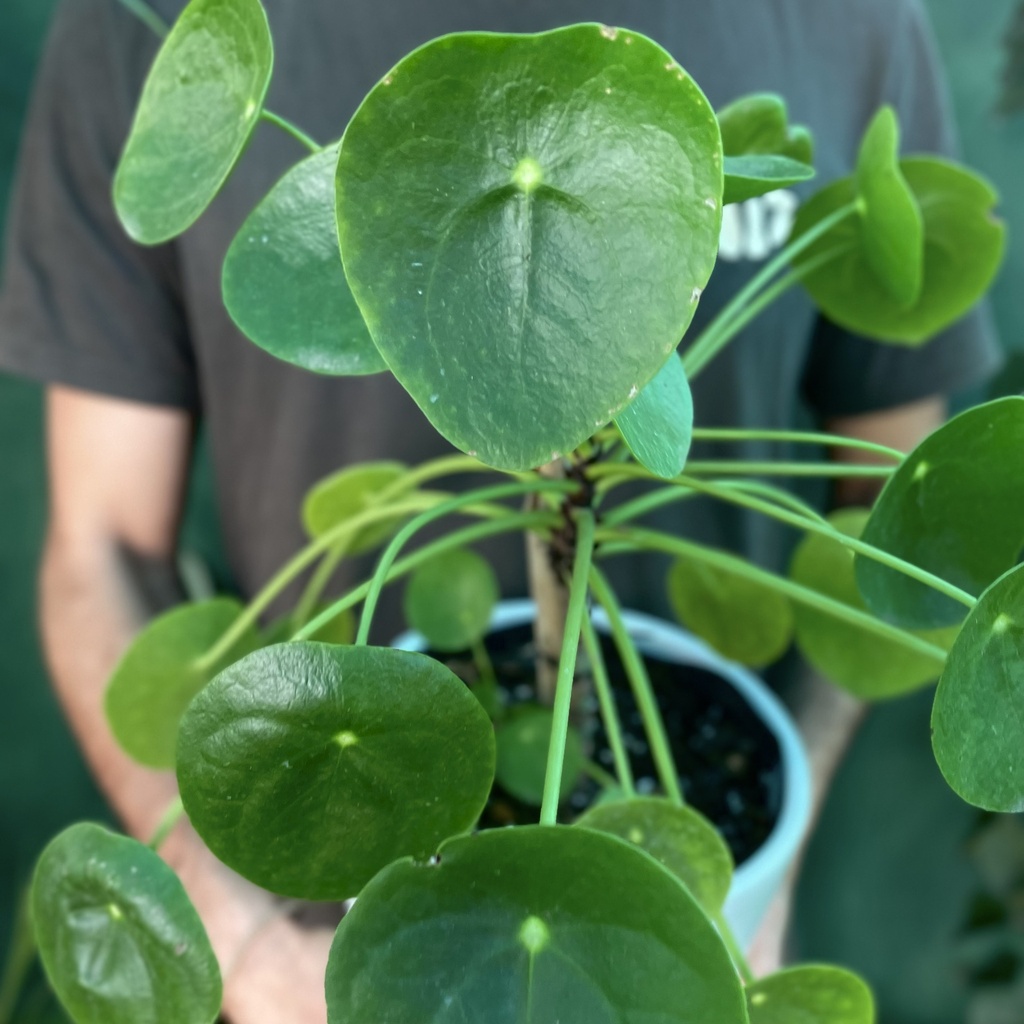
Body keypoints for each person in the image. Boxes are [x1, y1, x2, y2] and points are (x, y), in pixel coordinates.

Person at [0, 0, 1003, 1020]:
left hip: (693, 835)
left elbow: (889, 495)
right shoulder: (149, 27)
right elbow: (100, 544)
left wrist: (772, 855)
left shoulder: (852, 23)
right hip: (333, 851)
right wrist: (234, 924)